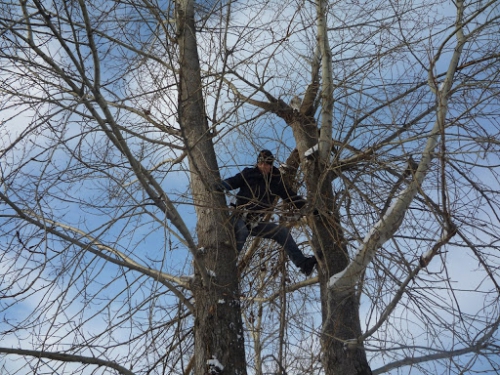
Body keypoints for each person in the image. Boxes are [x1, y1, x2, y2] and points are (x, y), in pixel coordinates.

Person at [216, 150, 317, 276]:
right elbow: (233, 181)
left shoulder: (275, 182)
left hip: (255, 222)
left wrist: (308, 207)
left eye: (267, 164)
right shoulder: (249, 174)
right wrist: (221, 185)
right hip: (240, 215)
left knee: (282, 232)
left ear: (271, 165)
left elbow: (290, 196)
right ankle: (228, 266)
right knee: (242, 231)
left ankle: (303, 264)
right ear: (258, 163)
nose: (264, 166)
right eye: (261, 163)